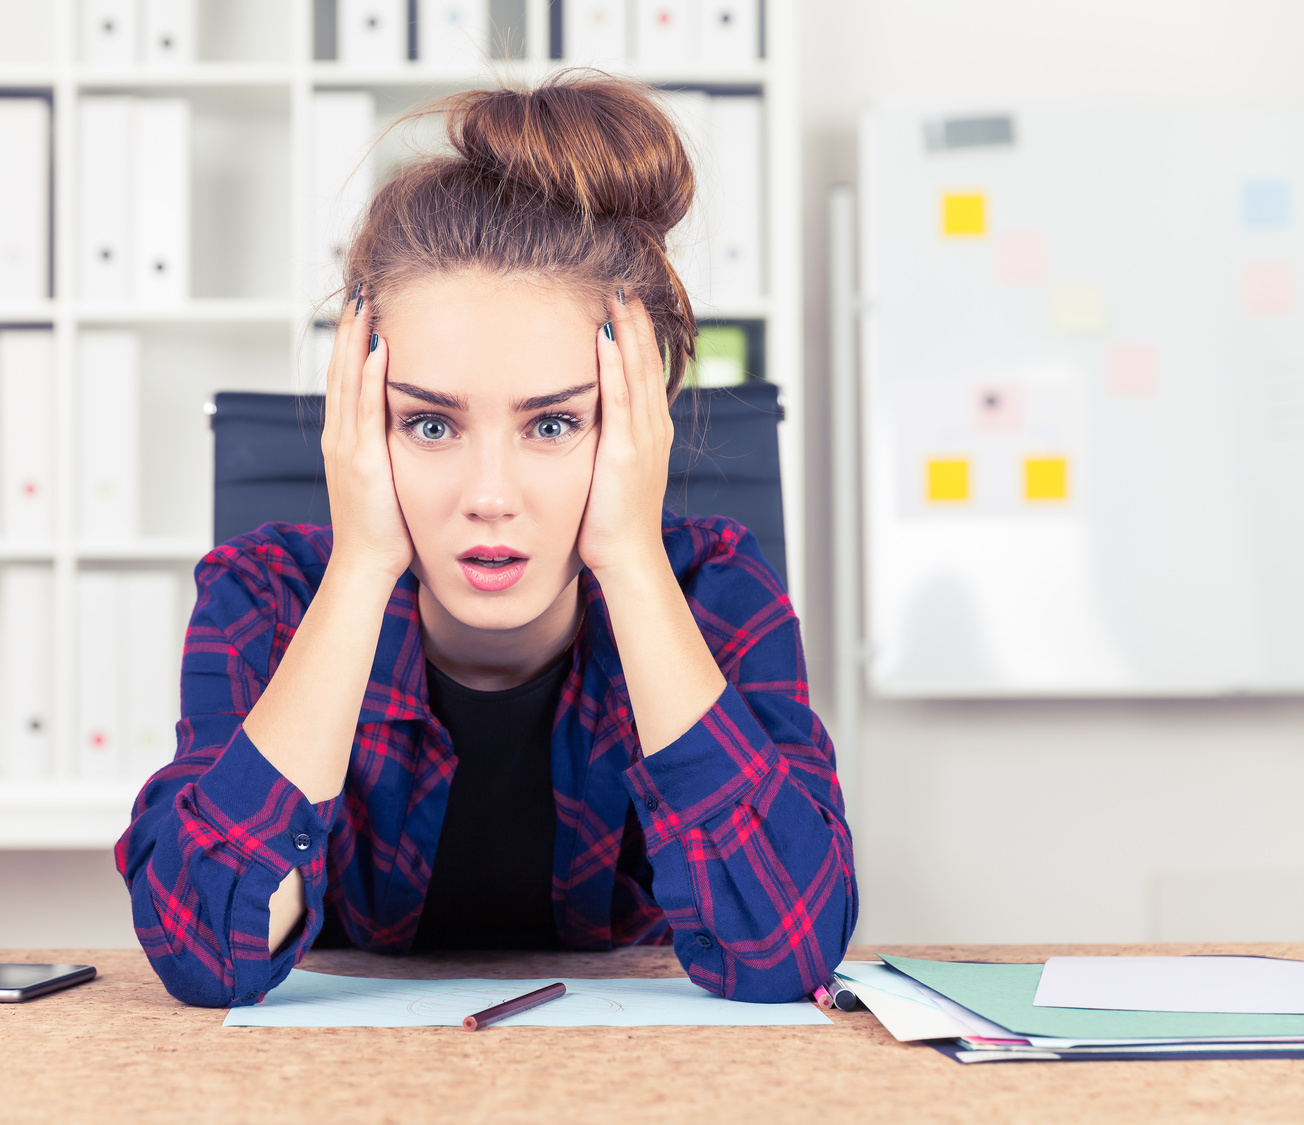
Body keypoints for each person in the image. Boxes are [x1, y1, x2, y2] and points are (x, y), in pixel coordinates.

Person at [116, 72, 856, 1008]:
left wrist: (629, 557)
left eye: (553, 425)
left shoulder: (713, 590)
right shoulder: (268, 594)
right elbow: (204, 956)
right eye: (430, 425)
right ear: (361, 421)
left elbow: (786, 949)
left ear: (635, 426)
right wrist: (358, 570)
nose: (490, 497)